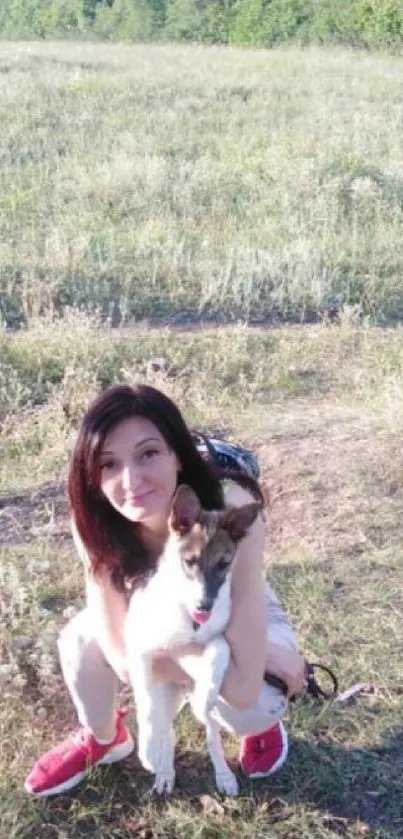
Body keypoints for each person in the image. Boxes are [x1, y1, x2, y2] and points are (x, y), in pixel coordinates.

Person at [25, 384, 306, 797]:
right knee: (81, 643)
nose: (130, 481)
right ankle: (103, 736)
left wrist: (253, 652)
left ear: (177, 451)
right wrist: (207, 668)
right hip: (154, 616)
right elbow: (123, 659)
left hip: (221, 612)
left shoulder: (229, 509)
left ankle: (262, 727)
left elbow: (243, 687)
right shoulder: (94, 520)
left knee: (256, 699)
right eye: (108, 464)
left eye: (148, 453)